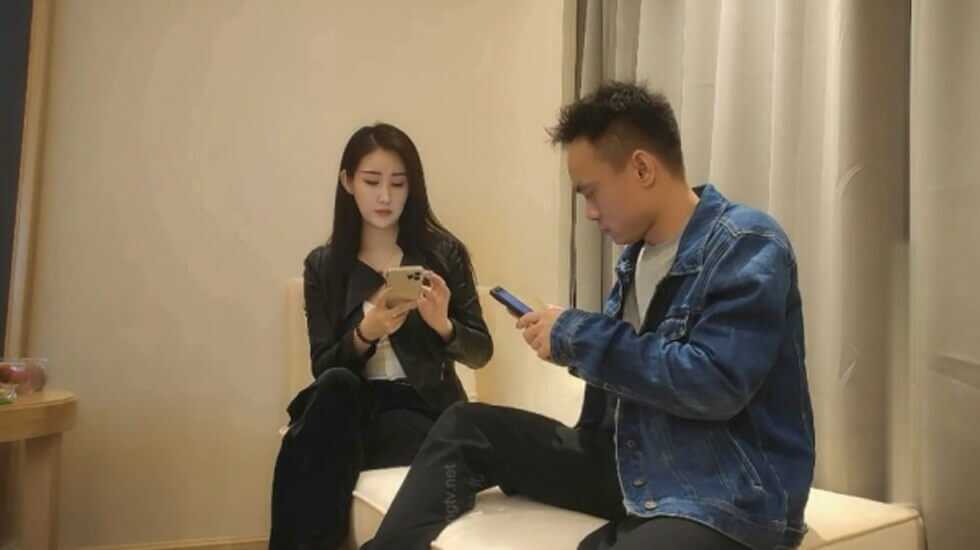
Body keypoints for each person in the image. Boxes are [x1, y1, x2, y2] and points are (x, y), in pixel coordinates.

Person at [362, 82, 815, 550]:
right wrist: (570, 345)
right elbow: (634, 373)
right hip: (629, 462)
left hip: (724, 491)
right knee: (465, 427)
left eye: (592, 193)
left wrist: (578, 336)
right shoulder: (635, 257)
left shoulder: (746, 243)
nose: (591, 213)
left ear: (642, 168)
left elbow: (715, 383)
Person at [269, 123, 493, 550]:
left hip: (420, 407)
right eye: (372, 182)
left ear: (413, 187)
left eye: (398, 183)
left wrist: (443, 325)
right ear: (348, 182)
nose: (385, 196)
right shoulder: (324, 266)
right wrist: (365, 333)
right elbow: (323, 365)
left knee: (324, 446)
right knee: (335, 387)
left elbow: (481, 352)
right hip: (351, 409)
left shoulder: (443, 254)